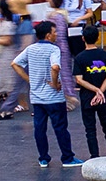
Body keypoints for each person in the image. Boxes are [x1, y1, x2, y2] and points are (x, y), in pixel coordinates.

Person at [13, 19, 78, 168]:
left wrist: (29, 80)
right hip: (54, 98)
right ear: (48, 35)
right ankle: (67, 158)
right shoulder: (54, 49)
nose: (56, 35)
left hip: (36, 97)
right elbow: (55, 67)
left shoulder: (30, 49)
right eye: (55, 32)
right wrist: (55, 84)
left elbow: (15, 64)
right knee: (60, 127)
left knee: (40, 128)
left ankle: (43, 158)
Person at [71, 25, 106, 160]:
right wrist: (100, 91)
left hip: (87, 98)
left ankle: (94, 156)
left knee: (90, 129)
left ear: (83, 38)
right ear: (98, 38)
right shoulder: (105, 55)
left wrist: (95, 90)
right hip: (104, 97)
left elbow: (79, 80)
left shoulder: (79, 58)